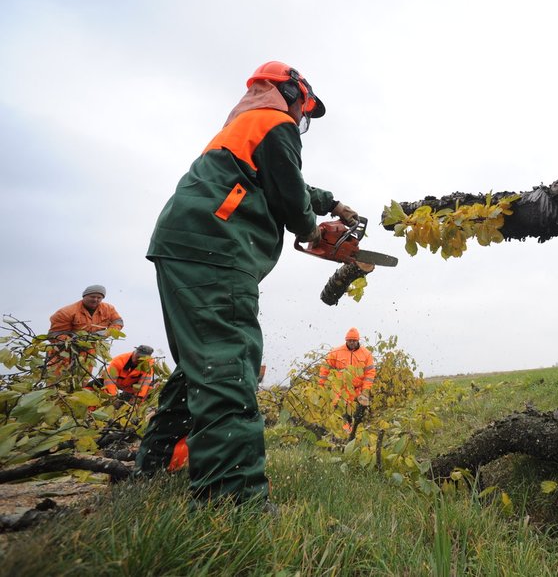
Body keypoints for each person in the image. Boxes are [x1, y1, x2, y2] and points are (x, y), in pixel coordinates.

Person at [135, 61, 359, 506]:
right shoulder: (274, 124)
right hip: (215, 247)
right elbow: (291, 198)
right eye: (305, 108)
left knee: (200, 364)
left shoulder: (244, 128)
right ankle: (232, 500)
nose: (302, 118)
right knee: (228, 361)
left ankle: (154, 470)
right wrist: (311, 228)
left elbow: (284, 179)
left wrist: (333, 202)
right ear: (290, 93)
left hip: (185, 244)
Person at [47, 285, 124, 372]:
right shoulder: (66, 312)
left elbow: (118, 322)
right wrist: (73, 341)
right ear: (84, 296)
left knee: (83, 382)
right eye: (92, 296)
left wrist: (105, 333)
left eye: (99, 297)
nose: (95, 299)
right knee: (56, 381)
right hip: (62, 354)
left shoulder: (108, 309)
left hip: (88, 354)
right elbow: (53, 335)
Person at [319, 327, 376, 431]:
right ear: (346, 340)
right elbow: (325, 369)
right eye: (349, 340)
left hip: (358, 391)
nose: (351, 343)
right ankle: (339, 437)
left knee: (357, 416)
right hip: (340, 391)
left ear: (358, 340)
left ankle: (353, 436)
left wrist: (365, 391)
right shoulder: (336, 352)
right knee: (340, 415)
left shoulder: (366, 354)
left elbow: (370, 374)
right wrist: (321, 386)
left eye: (354, 341)